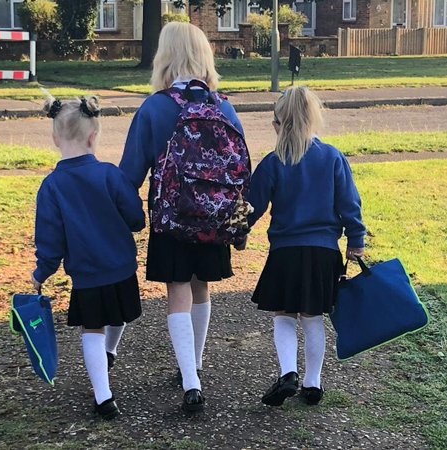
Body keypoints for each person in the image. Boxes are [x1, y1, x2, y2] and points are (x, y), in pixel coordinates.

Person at [119, 22, 246, 413]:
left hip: (172, 217)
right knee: (202, 286)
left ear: (165, 56)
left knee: (177, 289)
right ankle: (196, 363)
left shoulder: (156, 106)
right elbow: (242, 168)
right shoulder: (222, 106)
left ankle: (190, 382)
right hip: (213, 218)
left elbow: (130, 174)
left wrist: (128, 214)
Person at [246, 86, 366, 407]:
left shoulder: (273, 163)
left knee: (283, 316)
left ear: (279, 125)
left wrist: (236, 233)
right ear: (313, 120)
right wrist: (355, 241)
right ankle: (313, 384)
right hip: (323, 252)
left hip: (285, 253)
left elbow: (251, 207)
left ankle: (288, 373)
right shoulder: (332, 157)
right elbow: (350, 205)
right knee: (313, 318)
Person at [31, 94, 145, 420]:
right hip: (121, 267)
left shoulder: (51, 187)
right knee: (118, 314)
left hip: (87, 273)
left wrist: (42, 272)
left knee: (91, 328)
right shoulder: (110, 175)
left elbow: (50, 240)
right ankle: (110, 352)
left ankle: (104, 396)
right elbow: (136, 219)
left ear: (55, 139)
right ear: (93, 136)